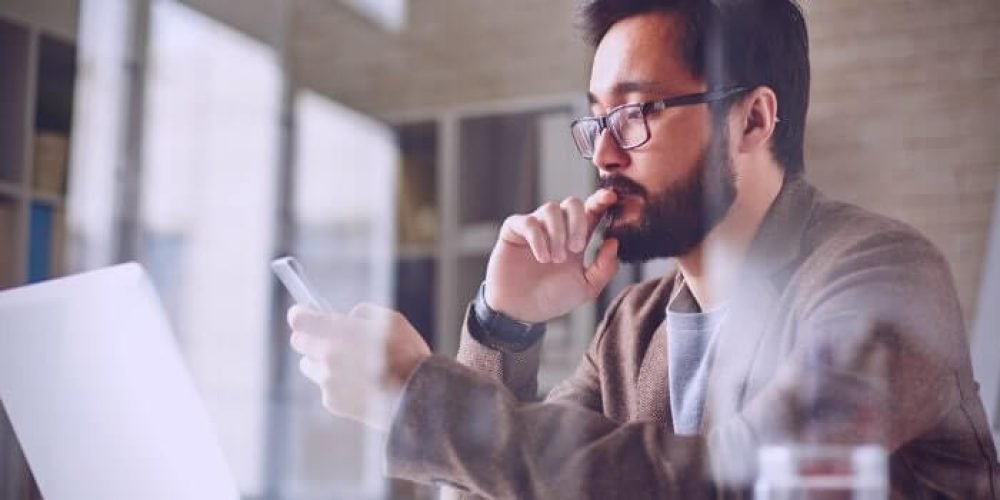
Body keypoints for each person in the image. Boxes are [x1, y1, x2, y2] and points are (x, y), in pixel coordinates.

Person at [287, 0, 1000, 497]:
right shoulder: (633, 326)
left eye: (637, 112)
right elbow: (499, 491)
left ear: (752, 119)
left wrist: (422, 397)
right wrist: (506, 324)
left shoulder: (884, 281)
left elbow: (741, 484)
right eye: (597, 119)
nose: (603, 153)